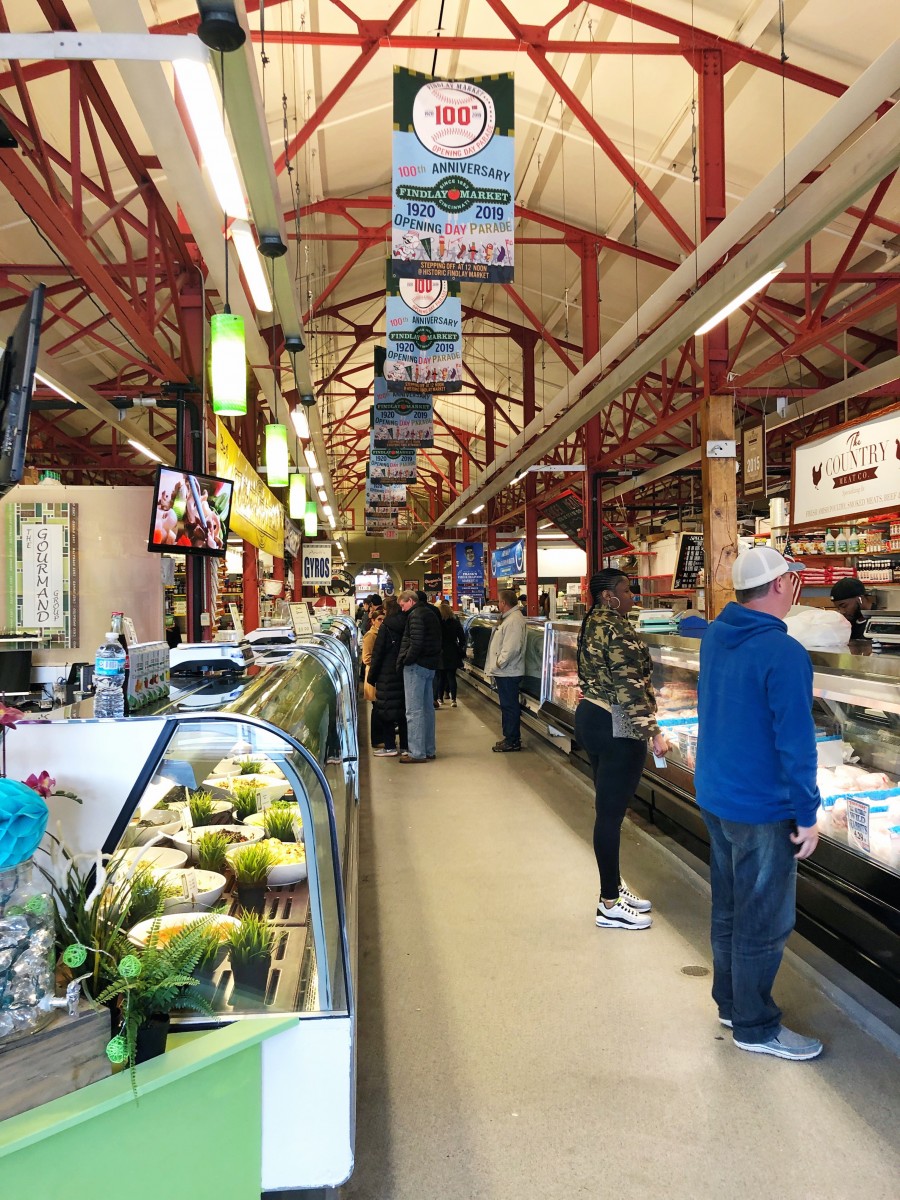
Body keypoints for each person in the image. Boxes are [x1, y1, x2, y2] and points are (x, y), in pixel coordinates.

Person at [696, 546, 823, 1061]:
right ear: (777, 586)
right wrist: (810, 814)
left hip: (717, 793)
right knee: (764, 919)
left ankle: (730, 1002)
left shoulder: (716, 636)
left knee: (728, 906)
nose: (795, 587)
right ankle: (756, 1026)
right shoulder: (782, 651)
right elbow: (797, 741)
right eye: (792, 579)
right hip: (762, 806)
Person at [573, 570, 668, 930]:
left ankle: (614, 884)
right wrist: (654, 732)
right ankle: (608, 903)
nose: (632, 596)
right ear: (607, 595)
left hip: (592, 717)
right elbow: (629, 686)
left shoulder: (593, 622)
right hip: (617, 724)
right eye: (626, 590)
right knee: (611, 815)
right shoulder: (616, 628)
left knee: (607, 809)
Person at [396, 589, 442, 763]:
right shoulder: (430, 612)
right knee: (427, 710)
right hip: (430, 666)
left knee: (413, 711)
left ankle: (416, 752)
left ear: (410, 601)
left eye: (403, 605)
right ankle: (429, 749)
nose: (402, 609)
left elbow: (415, 642)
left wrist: (406, 660)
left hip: (416, 666)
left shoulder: (415, 616)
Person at [485, 588, 528, 752]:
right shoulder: (509, 619)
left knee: (510, 706)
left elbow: (511, 649)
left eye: (499, 601)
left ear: (504, 603)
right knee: (507, 706)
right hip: (506, 671)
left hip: (509, 671)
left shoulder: (514, 621)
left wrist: (497, 664)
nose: (498, 604)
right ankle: (508, 737)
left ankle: (512, 740)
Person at [367, 596, 408, 758]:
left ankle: (390, 746)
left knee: (386, 711)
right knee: (403, 711)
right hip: (404, 672)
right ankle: (405, 746)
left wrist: (372, 677)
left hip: (386, 673)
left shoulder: (386, 627)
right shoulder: (407, 622)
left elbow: (378, 654)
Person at [434, 601, 466, 707]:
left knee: (440, 677)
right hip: (452, 651)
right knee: (451, 677)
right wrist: (460, 647)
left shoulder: (438, 623)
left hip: (440, 651)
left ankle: (440, 698)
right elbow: (462, 638)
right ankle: (454, 700)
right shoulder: (455, 622)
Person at [361, 598, 384, 744]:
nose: (381, 622)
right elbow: (366, 658)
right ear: (373, 621)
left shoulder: (381, 634)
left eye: (383, 619)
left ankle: (379, 736)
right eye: (379, 619)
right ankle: (376, 739)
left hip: (379, 674)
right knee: (376, 708)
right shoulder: (371, 636)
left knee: (379, 707)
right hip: (373, 675)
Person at [829, 576, 876, 641]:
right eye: (838, 608)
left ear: (860, 599)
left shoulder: (880, 621)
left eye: (844, 606)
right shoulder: (847, 624)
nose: (842, 611)